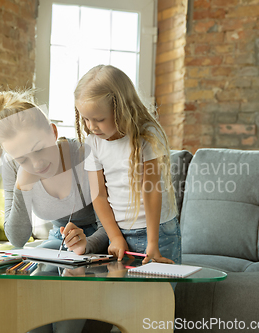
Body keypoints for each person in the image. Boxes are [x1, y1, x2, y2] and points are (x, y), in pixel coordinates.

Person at [0, 89, 108, 258]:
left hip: (100, 242)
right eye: (22, 159)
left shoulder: (83, 155)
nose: (37, 164)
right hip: (59, 242)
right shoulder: (12, 166)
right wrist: (21, 186)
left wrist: (85, 245)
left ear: (53, 132)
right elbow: (17, 240)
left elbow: (110, 228)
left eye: (39, 149)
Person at [74, 65, 181, 265]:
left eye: (99, 119)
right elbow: (99, 196)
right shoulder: (93, 142)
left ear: (122, 109)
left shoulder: (147, 135)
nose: (91, 126)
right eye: (85, 119)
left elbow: (151, 190)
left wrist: (152, 242)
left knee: (161, 295)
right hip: (120, 233)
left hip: (158, 233)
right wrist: (115, 237)